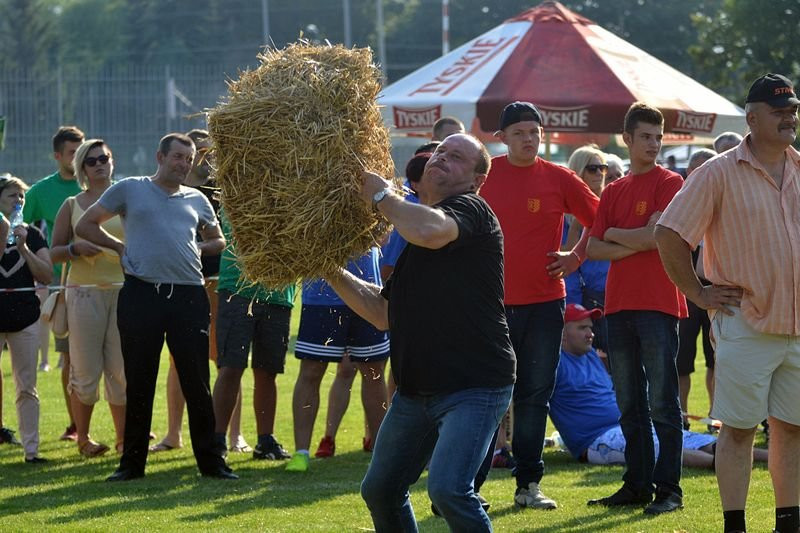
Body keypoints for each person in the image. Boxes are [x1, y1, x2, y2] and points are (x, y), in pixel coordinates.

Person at [327, 133, 515, 530]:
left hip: (474, 385)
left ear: (477, 180)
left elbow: (431, 230)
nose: (442, 158)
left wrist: (381, 196)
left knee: (448, 490)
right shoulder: (412, 238)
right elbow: (382, 313)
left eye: (457, 157)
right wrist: (327, 268)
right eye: (440, 152)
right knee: (380, 489)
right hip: (416, 391)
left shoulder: (472, 210)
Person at [656, 73, 800, 533]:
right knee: (738, 431)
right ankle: (734, 525)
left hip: (797, 326)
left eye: (793, 111)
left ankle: (788, 522)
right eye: (779, 112)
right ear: (752, 118)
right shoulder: (716, 172)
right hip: (745, 323)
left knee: (792, 429)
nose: (790, 118)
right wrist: (697, 292)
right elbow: (669, 233)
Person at [76, 132, 235, 481]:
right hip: (141, 293)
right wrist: (118, 248)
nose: (184, 164)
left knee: (197, 381)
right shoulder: (131, 188)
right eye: (178, 157)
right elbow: (85, 224)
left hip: (189, 296)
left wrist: (203, 246)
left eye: (189, 159)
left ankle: (212, 463)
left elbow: (217, 238)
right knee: (140, 379)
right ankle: (131, 465)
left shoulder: (197, 199)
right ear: (160, 157)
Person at [480, 101, 599, 510]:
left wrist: (575, 257)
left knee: (534, 396)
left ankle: (527, 485)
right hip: (490, 305)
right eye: (519, 133)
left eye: (534, 131)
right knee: (483, 395)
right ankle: (465, 489)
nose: (529, 139)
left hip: (546, 305)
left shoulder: (559, 177)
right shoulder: (484, 174)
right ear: (502, 138)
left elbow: (597, 219)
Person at [585, 102, 687, 515]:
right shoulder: (613, 190)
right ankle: (637, 485)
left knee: (663, 403)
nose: (654, 144)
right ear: (626, 139)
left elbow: (654, 240)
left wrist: (614, 234)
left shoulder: (671, 181)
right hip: (619, 306)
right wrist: (632, 237)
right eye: (646, 137)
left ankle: (669, 491)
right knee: (628, 402)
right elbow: (592, 247)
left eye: (658, 137)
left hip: (659, 303)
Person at [550, 304, 768, 470]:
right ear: (561, 334)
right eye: (581, 328)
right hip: (598, 439)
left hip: (632, 424)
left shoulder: (590, 355)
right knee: (665, 449)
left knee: (702, 440)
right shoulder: (553, 364)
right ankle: (725, 467)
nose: (591, 333)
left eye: (590, 327)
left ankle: (770, 457)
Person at [151, 128, 250, 455]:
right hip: (185, 286)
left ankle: (234, 434)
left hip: (223, 286)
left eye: (209, 152)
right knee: (179, 362)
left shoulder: (229, 192)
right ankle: (173, 433)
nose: (204, 160)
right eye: (198, 154)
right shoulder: (175, 194)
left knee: (228, 362)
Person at [49, 139, 126, 458]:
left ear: (112, 161)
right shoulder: (71, 204)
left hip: (124, 293)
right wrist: (74, 250)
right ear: (82, 168)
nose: (99, 164)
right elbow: (52, 253)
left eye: (104, 158)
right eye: (92, 160)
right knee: (84, 370)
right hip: (83, 295)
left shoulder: (127, 200)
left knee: (122, 371)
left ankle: (124, 441)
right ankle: (83, 439)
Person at [285, 249, 389, 472]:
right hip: (320, 295)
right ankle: (301, 452)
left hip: (367, 292)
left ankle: (381, 453)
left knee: (373, 372)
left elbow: (383, 234)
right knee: (311, 371)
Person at [211, 208, 294, 461]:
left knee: (268, 370)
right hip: (238, 288)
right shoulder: (240, 180)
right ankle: (216, 441)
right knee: (231, 367)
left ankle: (265, 440)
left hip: (278, 291)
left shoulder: (295, 187)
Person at [23, 125, 84, 442]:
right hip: (65, 287)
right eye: (72, 152)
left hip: (107, 286)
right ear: (58, 155)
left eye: (81, 150)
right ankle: (75, 426)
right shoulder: (40, 192)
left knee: (118, 359)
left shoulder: (106, 186)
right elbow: (17, 230)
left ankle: (124, 425)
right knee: (70, 359)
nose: (79, 157)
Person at [0, 175, 53, 463]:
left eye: (21, 197)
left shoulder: (32, 234)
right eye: (11, 196)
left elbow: (46, 274)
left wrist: (23, 248)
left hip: (25, 319)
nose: (18, 201)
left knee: (27, 386)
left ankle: (31, 451)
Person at [676, 148, 717, 429]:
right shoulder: (679, 204)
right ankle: (681, 416)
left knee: (717, 357)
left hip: (718, 290)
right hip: (685, 291)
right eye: (700, 170)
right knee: (682, 360)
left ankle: (717, 416)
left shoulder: (725, 199)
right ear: (690, 173)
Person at [563, 145, 610, 352]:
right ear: (579, 171)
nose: (600, 173)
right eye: (593, 168)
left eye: (603, 168)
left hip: (610, 296)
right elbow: (565, 254)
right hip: (576, 298)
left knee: (614, 363)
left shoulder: (610, 206)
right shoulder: (562, 212)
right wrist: (579, 219)